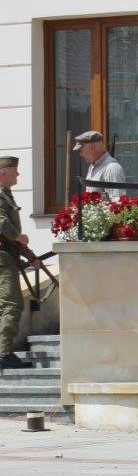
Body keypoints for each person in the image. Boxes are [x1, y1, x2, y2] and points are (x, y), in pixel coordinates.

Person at [0, 157, 32, 370]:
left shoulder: (5, 195)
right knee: (12, 304)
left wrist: (31, 257)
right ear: (3, 174)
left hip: (7, 253)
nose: (18, 175)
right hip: (3, 256)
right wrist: (19, 237)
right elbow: (2, 223)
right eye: (15, 171)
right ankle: (3, 353)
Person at [74, 131, 126, 200]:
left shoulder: (112, 168)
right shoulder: (92, 166)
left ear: (92, 149)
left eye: (80, 150)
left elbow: (117, 202)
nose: (81, 154)